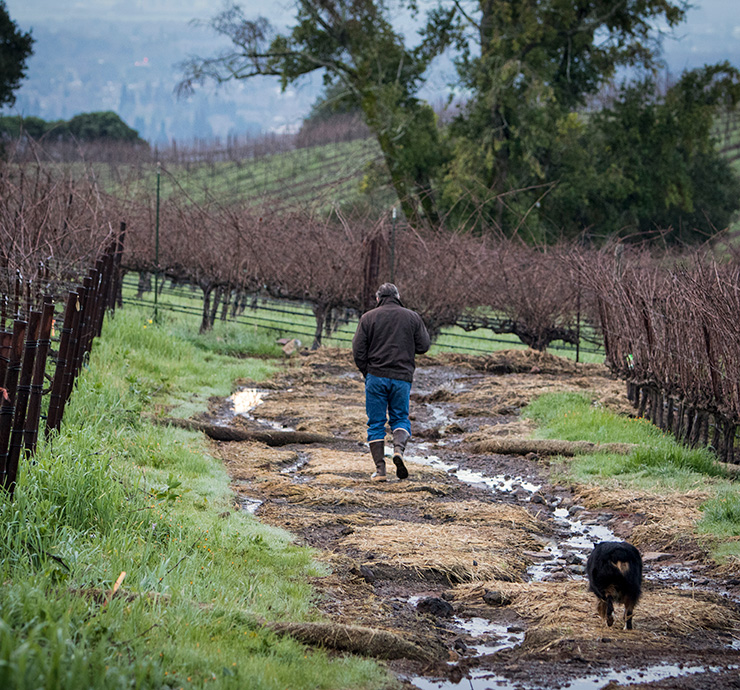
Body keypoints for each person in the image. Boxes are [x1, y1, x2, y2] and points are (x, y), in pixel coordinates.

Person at [352, 283, 430, 480]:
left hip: (376, 376)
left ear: (378, 299)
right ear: (397, 296)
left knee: (376, 423)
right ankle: (398, 451)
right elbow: (424, 346)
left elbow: (358, 350)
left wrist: (367, 372)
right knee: (400, 418)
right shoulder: (412, 317)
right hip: (402, 378)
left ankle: (380, 470)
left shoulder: (368, 318)